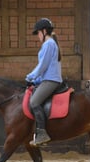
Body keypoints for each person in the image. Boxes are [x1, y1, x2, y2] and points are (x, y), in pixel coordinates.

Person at [26, 18, 63, 146]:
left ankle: (42, 134)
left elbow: (43, 66)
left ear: (44, 31)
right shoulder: (50, 44)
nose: (38, 36)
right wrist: (35, 79)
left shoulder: (48, 44)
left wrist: (30, 77)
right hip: (47, 78)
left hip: (51, 80)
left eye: (38, 33)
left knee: (34, 102)